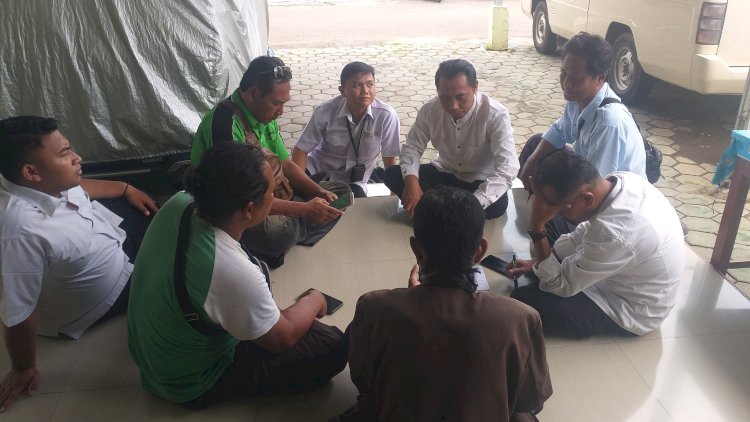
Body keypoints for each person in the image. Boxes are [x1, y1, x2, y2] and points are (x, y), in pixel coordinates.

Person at [128, 142, 347, 408]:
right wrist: (315, 300)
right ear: (248, 209)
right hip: (186, 380)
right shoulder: (231, 269)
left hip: (153, 354)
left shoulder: (179, 203)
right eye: (271, 192)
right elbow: (282, 338)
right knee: (332, 346)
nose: (278, 195)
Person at [340, 186, 552, 422]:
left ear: (415, 249)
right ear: (480, 251)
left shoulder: (376, 307)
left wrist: (410, 302)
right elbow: (531, 399)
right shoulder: (520, 317)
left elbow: (363, 380)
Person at [0, 116, 157, 411]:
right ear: (31, 172)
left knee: (148, 207)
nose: (77, 158)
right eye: (64, 153)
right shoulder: (19, 232)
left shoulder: (44, 181)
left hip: (108, 240)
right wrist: (23, 366)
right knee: (177, 251)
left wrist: (125, 188)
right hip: (111, 292)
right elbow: (18, 313)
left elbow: (80, 187)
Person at [508, 152, 684, 338]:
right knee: (552, 225)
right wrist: (537, 262)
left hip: (628, 306)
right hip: (615, 262)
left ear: (587, 198)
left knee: (524, 299)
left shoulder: (617, 232)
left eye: (555, 206)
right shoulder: (619, 182)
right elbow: (582, 233)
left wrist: (537, 228)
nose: (548, 210)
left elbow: (559, 285)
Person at [192, 55, 344, 268]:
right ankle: (299, 224)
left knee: (339, 191)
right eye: (276, 103)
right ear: (254, 94)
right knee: (275, 235)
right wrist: (304, 210)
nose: (281, 112)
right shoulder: (224, 125)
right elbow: (241, 199)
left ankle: (303, 217)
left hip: (271, 192)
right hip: (238, 206)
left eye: (284, 104)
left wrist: (318, 191)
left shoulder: (265, 115)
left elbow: (286, 165)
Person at [383, 59, 519, 219]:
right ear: (438, 91)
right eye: (445, 98)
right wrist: (412, 182)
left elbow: (507, 168)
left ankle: (434, 211)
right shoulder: (430, 110)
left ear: (475, 87)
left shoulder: (496, 114)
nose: (453, 106)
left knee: (497, 205)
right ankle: (451, 214)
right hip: (444, 173)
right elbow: (412, 147)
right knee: (393, 174)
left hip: (478, 180)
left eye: (460, 97)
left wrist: (473, 204)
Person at [518, 32, 646, 190]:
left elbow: (594, 187)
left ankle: (543, 208)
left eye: (576, 78)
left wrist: (551, 204)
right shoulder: (577, 98)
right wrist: (532, 162)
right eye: (563, 74)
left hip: (613, 199)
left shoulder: (609, 122)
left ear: (600, 78)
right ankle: (528, 198)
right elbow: (560, 131)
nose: (566, 84)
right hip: (587, 169)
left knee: (556, 198)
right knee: (536, 144)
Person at [292, 61, 400, 198]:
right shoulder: (324, 111)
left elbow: (389, 160)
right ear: (342, 90)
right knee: (296, 197)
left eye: (370, 84)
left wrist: (394, 196)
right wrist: (300, 184)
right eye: (357, 85)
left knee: (355, 210)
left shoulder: (386, 116)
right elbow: (301, 149)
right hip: (319, 171)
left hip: (355, 180)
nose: (365, 91)